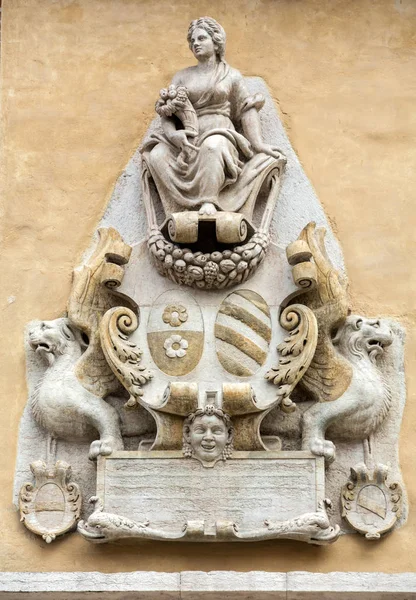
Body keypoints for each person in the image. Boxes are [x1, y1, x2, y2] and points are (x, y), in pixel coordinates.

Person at [141, 17, 284, 220]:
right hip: (189, 136)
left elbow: (246, 109)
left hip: (220, 130)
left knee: (213, 146)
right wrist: (174, 135)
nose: (195, 43)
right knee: (157, 154)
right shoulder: (182, 76)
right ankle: (178, 204)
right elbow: (167, 112)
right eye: (192, 40)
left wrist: (258, 144)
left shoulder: (231, 75)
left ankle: (209, 200)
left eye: (201, 38)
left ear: (215, 42)